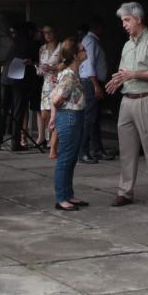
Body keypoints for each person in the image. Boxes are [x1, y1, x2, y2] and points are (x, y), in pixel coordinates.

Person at [107, 2, 148, 207]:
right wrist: (116, 81)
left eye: (127, 20)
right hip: (127, 100)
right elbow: (123, 72)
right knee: (126, 149)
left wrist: (134, 74)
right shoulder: (127, 45)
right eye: (122, 21)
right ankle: (125, 191)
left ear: (138, 19)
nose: (124, 24)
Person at [48, 38, 90, 211]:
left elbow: (54, 97)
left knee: (70, 158)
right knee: (65, 159)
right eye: (82, 49)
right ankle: (61, 198)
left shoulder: (70, 73)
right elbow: (57, 99)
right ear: (75, 55)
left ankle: (68, 194)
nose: (85, 51)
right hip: (70, 117)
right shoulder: (69, 76)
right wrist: (55, 113)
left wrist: (53, 115)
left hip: (73, 116)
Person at [79, 18, 110, 163]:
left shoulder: (92, 40)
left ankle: (97, 150)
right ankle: (83, 151)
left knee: (95, 118)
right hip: (91, 82)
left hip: (93, 82)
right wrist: (96, 85)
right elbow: (89, 64)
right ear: (97, 27)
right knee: (90, 118)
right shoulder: (90, 41)